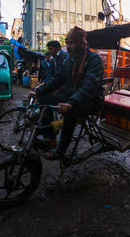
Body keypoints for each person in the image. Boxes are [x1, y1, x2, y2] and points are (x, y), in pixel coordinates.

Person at [32, 26, 105, 160]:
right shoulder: (70, 60)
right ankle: (50, 138)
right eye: (68, 43)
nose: (69, 46)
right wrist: (39, 90)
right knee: (42, 99)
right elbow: (58, 78)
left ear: (82, 44)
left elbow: (89, 87)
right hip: (73, 95)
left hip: (91, 100)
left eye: (72, 43)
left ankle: (60, 151)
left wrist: (71, 103)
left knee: (70, 113)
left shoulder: (94, 60)